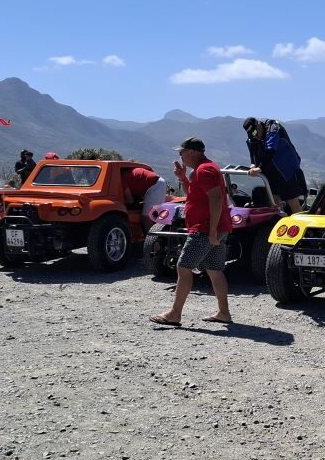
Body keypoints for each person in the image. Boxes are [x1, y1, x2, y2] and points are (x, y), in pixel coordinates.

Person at [150, 138, 232, 327]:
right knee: (214, 269)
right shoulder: (202, 170)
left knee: (183, 267)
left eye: (182, 152)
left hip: (204, 229)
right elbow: (194, 195)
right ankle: (224, 313)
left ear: (194, 152)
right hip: (214, 228)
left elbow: (217, 199)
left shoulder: (205, 170)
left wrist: (211, 231)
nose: (180, 156)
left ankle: (174, 314)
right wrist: (183, 178)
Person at [242, 116, 308, 214]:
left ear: (258, 124)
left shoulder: (272, 127)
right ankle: (280, 223)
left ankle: (300, 224)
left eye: (255, 133)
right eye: (252, 134)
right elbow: (253, 150)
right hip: (271, 170)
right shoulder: (253, 134)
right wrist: (253, 164)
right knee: (275, 199)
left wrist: (259, 168)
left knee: (292, 200)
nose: (256, 136)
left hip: (287, 169)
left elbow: (270, 150)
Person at [120, 165, 166, 229]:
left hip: (154, 185)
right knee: (155, 216)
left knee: (146, 218)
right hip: (158, 182)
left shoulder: (122, 178)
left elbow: (130, 200)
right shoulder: (129, 173)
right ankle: (160, 236)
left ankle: (152, 238)